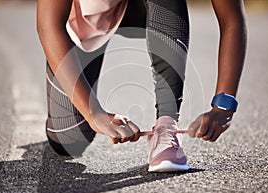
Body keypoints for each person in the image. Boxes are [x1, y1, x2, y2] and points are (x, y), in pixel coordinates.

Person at [37, 0, 247, 172]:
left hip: (148, 9)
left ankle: (167, 126)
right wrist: (93, 113)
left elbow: (232, 21)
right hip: (86, 22)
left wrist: (224, 106)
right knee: (68, 140)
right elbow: (49, 26)